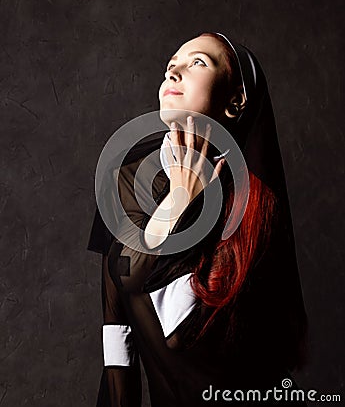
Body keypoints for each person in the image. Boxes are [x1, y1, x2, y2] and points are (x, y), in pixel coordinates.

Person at [87, 32, 308, 406]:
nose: (173, 71)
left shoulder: (252, 206)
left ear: (235, 102)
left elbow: (177, 332)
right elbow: (116, 315)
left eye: (198, 63)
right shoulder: (126, 172)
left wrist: (182, 199)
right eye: (171, 64)